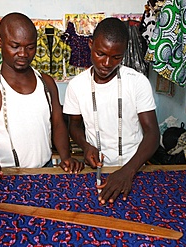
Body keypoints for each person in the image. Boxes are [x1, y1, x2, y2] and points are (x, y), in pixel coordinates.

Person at [0, 12, 84, 180]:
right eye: (15, 46)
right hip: (4, 174)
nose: (23, 53)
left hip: (44, 171)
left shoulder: (46, 83)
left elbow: (58, 124)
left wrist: (66, 157)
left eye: (30, 47)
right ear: (0, 42)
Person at [63, 17, 160, 204]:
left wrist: (128, 171)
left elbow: (153, 134)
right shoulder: (76, 86)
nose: (107, 63)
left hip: (135, 168)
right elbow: (73, 126)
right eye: (101, 54)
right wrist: (86, 146)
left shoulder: (138, 82)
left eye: (116, 57)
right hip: (96, 169)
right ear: (90, 44)